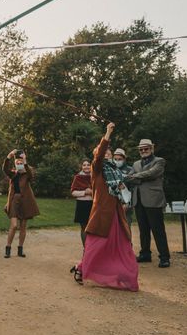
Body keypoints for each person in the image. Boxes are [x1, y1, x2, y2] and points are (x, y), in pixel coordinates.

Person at [70, 123, 139, 291]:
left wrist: (123, 199)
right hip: (102, 213)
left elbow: (121, 188)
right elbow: (100, 153)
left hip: (116, 212)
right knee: (97, 245)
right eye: (104, 151)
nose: (107, 152)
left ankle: (123, 274)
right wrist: (108, 133)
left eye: (109, 151)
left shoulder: (114, 170)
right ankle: (82, 268)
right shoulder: (97, 167)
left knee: (121, 244)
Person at [124, 138, 171, 268]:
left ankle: (164, 257)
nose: (143, 151)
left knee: (158, 230)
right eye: (141, 149)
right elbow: (130, 180)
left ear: (152, 148)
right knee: (143, 230)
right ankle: (145, 254)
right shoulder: (136, 164)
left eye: (146, 148)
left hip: (153, 200)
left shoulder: (160, 161)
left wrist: (136, 177)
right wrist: (139, 178)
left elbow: (153, 173)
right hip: (138, 201)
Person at [2, 149, 39, 258]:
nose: (19, 164)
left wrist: (25, 160)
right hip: (14, 200)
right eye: (17, 163)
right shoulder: (13, 174)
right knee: (13, 225)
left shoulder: (27, 174)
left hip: (25, 201)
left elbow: (31, 176)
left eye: (20, 163)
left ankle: (20, 249)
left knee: (23, 226)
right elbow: (5, 169)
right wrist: (8, 156)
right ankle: (8, 248)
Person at [70, 159, 93, 248]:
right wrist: (85, 192)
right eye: (84, 165)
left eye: (88, 164)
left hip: (93, 205)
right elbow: (73, 192)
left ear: (91, 166)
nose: (86, 166)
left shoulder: (95, 177)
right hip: (82, 204)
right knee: (84, 227)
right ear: (82, 167)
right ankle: (85, 249)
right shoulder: (78, 177)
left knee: (93, 228)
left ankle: (92, 249)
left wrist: (93, 192)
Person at [113, 148, 134, 229]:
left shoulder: (130, 170)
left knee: (126, 226)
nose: (117, 161)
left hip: (126, 203)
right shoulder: (110, 169)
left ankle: (128, 242)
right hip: (113, 201)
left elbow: (133, 188)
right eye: (115, 159)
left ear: (124, 159)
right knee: (113, 228)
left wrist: (128, 203)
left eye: (120, 159)